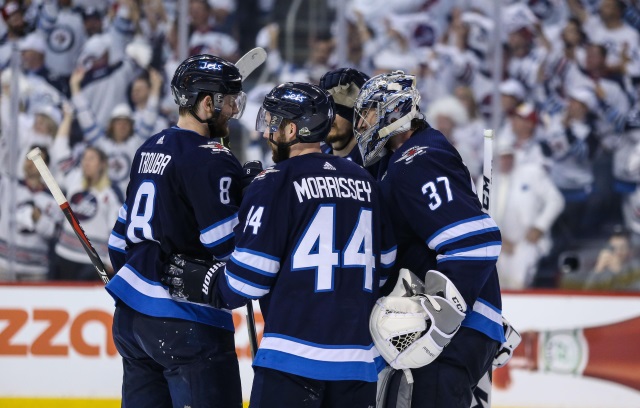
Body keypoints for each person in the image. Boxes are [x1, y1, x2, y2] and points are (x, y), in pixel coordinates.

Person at [161, 82, 398, 407]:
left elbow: (247, 279)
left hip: (291, 360)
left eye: (273, 122)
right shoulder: (366, 183)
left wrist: (209, 284)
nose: (267, 131)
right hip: (357, 365)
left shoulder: (274, 182)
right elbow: (384, 267)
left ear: (292, 129)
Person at [354, 71, 505, 407]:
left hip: (452, 335)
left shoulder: (416, 159)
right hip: (461, 330)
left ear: (394, 111)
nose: (363, 125)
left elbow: (475, 241)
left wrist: (439, 323)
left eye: (371, 114)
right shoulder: (406, 159)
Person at [104, 54, 248, 408]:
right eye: (228, 101)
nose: (232, 110)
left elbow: (117, 244)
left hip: (130, 321)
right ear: (206, 103)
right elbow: (226, 245)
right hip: (186, 321)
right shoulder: (211, 156)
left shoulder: (147, 148)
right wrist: (250, 200)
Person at [318, 67, 370, 166]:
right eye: (326, 108)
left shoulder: (376, 160)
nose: (330, 115)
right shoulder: (316, 155)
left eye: (338, 107)